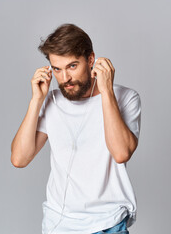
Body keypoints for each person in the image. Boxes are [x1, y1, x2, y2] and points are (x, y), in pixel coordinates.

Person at [10, 23, 141, 234]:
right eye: (57, 69)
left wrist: (107, 92)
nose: (65, 79)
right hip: (58, 225)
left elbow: (121, 153)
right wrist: (36, 100)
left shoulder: (127, 98)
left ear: (91, 60)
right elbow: (19, 159)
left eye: (72, 66)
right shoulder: (51, 101)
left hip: (108, 223)